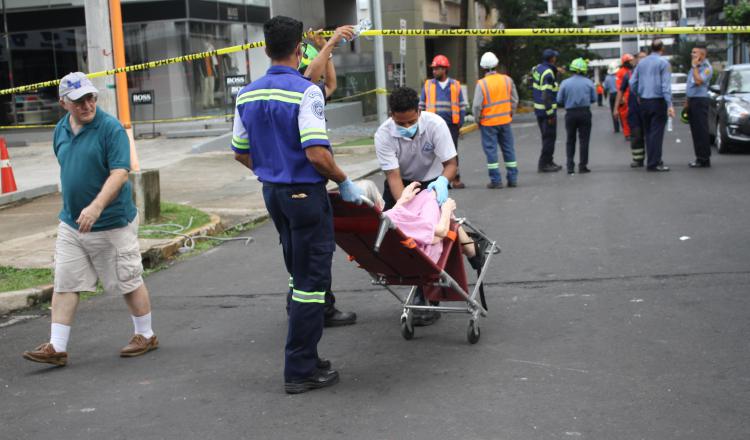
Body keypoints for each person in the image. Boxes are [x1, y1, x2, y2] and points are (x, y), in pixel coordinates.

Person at [231, 15, 364, 394]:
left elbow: (240, 152)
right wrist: (344, 180)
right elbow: (317, 154)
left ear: (265, 48)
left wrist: (274, 171)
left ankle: (307, 358)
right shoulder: (305, 93)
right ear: (296, 50)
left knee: (297, 267)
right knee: (311, 282)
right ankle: (301, 368)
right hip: (305, 195)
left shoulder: (248, 94)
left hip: (273, 194)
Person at [22, 72, 157, 367]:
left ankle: (145, 335)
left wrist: (96, 206)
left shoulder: (110, 129)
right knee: (65, 282)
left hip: (112, 221)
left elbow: (120, 172)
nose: (86, 105)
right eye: (78, 101)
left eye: (89, 98)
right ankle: (57, 347)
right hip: (71, 222)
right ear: (63, 103)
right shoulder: (60, 130)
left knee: (128, 280)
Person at [374, 86, 457, 325]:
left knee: (431, 239)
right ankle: (417, 286)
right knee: (402, 239)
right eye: (401, 123)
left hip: (433, 182)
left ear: (419, 111)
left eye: (411, 121)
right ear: (391, 115)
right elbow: (394, 177)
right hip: (403, 186)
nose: (407, 127)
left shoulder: (435, 125)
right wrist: (404, 208)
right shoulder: (384, 135)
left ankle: (427, 296)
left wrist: (442, 181)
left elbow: (451, 163)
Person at [298, 25, 359, 327]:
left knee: (299, 252)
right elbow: (312, 77)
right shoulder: (301, 90)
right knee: (317, 251)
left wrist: (327, 49)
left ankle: (303, 306)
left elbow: (329, 83)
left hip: (290, 187)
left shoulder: (311, 91)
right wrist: (331, 42)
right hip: (307, 184)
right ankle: (319, 311)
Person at [356, 180, 487, 271]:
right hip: (424, 260)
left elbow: (390, 216)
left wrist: (402, 201)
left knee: (427, 198)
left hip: (390, 266)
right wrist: (447, 208)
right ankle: (471, 249)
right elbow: (441, 232)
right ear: (376, 201)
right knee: (433, 196)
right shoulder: (396, 217)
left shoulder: (360, 227)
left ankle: (471, 249)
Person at [420, 55, 468, 189]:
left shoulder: (455, 85)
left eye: (437, 69)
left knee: (452, 153)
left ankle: (455, 179)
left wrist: (460, 122)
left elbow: (462, 105)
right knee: (435, 154)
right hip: (432, 126)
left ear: (445, 69)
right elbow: (421, 105)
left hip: (451, 125)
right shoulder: (428, 85)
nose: (434, 71)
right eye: (433, 69)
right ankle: (441, 180)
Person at [472, 51, 519, 188]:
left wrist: (477, 120)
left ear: (483, 67)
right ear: (496, 64)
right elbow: (514, 100)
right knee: (509, 149)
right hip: (505, 121)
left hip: (488, 123)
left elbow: (476, 106)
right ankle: (513, 179)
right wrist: (510, 114)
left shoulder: (482, 84)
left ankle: (496, 180)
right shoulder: (507, 80)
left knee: (491, 152)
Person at [630, 39, 674, 172]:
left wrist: (638, 94)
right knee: (657, 133)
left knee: (649, 133)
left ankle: (652, 160)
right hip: (658, 101)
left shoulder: (642, 63)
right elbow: (665, 86)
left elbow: (632, 82)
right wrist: (670, 104)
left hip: (644, 101)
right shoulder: (663, 63)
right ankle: (654, 162)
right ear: (662, 49)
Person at [557, 58, 596, 174]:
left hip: (570, 114)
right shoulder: (589, 82)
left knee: (570, 140)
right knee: (584, 140)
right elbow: (594, 99)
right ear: (584, 70)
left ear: (572, 69)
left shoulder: (565, 83)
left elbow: (559, 100)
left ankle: (570, 166)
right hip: (585, 113)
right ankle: (582, 166)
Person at [533, 48, 563, 172]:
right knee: (549, 138)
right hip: (546, 112)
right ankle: (544, 164)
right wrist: (550, 114)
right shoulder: (548, 73)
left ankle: (549, 160)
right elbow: (546, 94)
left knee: (547, 137)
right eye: (555, 57)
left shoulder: (538, 69)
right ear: (552, 59)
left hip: (539, 110)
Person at [685, 43, 714, 168]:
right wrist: (687, 102)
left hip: (700, 101)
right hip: (693, 100)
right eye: (692, 52)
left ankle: (704, 159)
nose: (692, 54)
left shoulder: (707, 68)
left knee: (701, 130)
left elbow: (698, 81)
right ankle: (699, 157)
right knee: (695, 131)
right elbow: (689, 86)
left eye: (694, 52)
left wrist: (695, 67)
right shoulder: (694, 67)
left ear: (702, 54)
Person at [618, 50, 648, 167]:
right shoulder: (628, 74)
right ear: (635, 60)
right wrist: (616, 108)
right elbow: (620, 90)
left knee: (650, 135)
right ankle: (638, 159)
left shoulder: (652, 73)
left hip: (648, 107)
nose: (642, 60)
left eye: (644, 57)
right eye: (640, 58)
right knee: (636, 135)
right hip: (634, 109)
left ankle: (655, 159)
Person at [614, 54, 635, 141]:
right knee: (625, 116)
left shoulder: (632, 71)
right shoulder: (621, 72)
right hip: (625, 98)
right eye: (631, 61)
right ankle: (627, 134)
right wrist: (621, 98)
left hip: (632, 96)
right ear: (626, 62)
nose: (632, 62)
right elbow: (619, 86)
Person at [604, 61, 621, 133]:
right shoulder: (620, 75)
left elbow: (605, 88)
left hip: (612, 95)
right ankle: (625, 127)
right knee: (623, 111)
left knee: (614, 111)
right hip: (620, 94)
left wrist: (605, 96)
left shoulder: (607, 78)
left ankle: (616, 128)